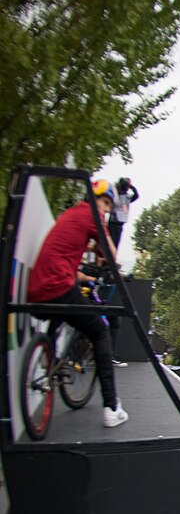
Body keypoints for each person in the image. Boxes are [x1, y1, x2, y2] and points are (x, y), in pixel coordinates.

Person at [28, 179, 128, 427]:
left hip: (37, 289)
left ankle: (48, 359)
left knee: (63, 311)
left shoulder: (71, 215)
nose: (106, 209)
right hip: (59, 286)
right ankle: (111, 407)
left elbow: (68, 264)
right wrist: (108, 258)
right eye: (105, 203)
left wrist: (89, 274)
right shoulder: (92, 216)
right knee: (100, 330)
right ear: (95, 200)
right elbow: (111, 252)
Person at [103, 176, 139, 367]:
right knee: (112, 241)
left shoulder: (125, 198)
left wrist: (131, 187)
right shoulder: (116, 197)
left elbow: (137, 196)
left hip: (120, 223)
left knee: (115, 241)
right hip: (115, 223)